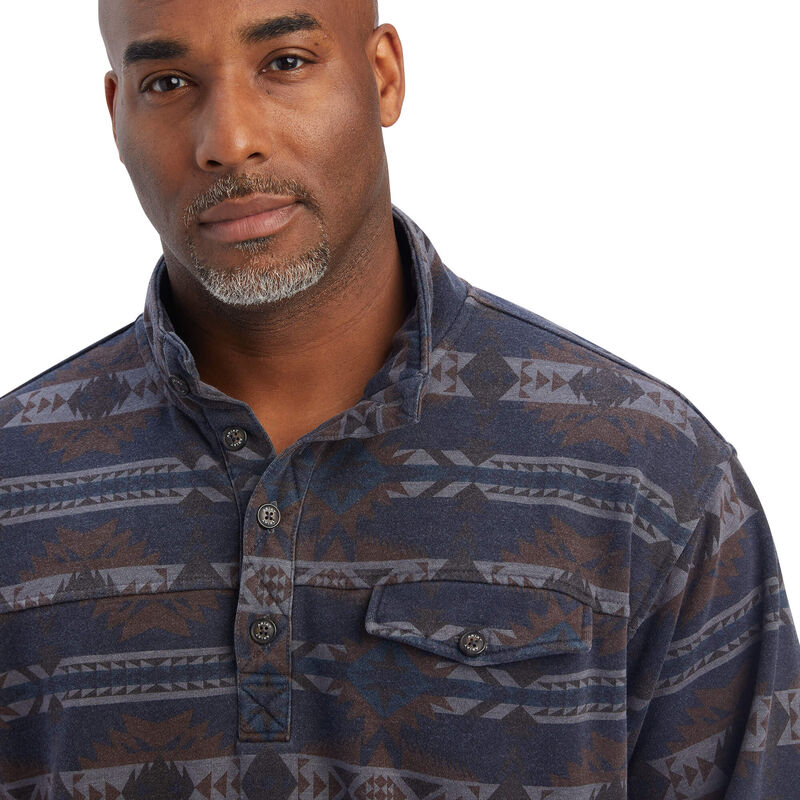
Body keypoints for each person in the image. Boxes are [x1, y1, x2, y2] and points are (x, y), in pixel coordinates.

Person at [1, 0, 798, 796]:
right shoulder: (14, 482)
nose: (229, 140)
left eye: (285, 63)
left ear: (382, 76)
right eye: (168, 82)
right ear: (117, 114)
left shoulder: (647, 477)